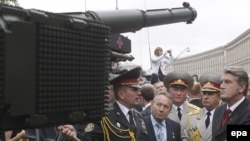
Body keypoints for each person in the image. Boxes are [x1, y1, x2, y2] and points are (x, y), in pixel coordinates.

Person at [56, 66, 148, 141]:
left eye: (139, 90)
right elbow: (89, 138)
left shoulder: (138, 116)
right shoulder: (104, 116)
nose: (139, 93)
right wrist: (75, 134)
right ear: (121, 94)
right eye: (134, 90)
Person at [212, 66, 250, 141]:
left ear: (241, 87)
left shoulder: (248, 113)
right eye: (221, 82)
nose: (222, 86)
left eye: (228, 82)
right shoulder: (218, 110)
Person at [163, 70, 200, 140]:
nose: (178, 93)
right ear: (168, 90)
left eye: (182, 90)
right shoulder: (162, 110)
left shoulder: (196, 111)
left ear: (187, 92)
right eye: (175, 89)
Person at [185, 72, 221, 141]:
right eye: (204, 93)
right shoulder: (192, 116)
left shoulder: (225, 116)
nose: (205, 97)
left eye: (210, 94)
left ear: (219, 97)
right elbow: (186, 137)